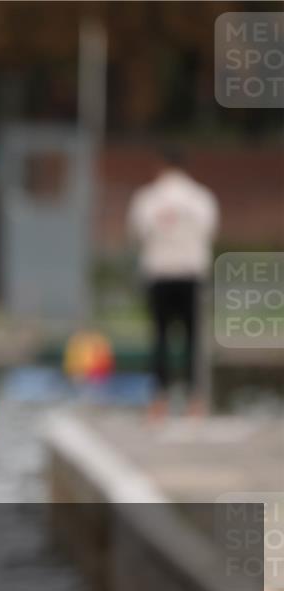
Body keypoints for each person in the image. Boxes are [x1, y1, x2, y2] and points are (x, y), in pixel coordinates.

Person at [127, 146, 219, 419]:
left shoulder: (147, 198)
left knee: (160, 338)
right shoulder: (201, 197)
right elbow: (209, 230)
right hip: (191, 273)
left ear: (160, 165)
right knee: (193, 338)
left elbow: (138, 232)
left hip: (159, 273)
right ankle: (195, 402)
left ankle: (159, 402)